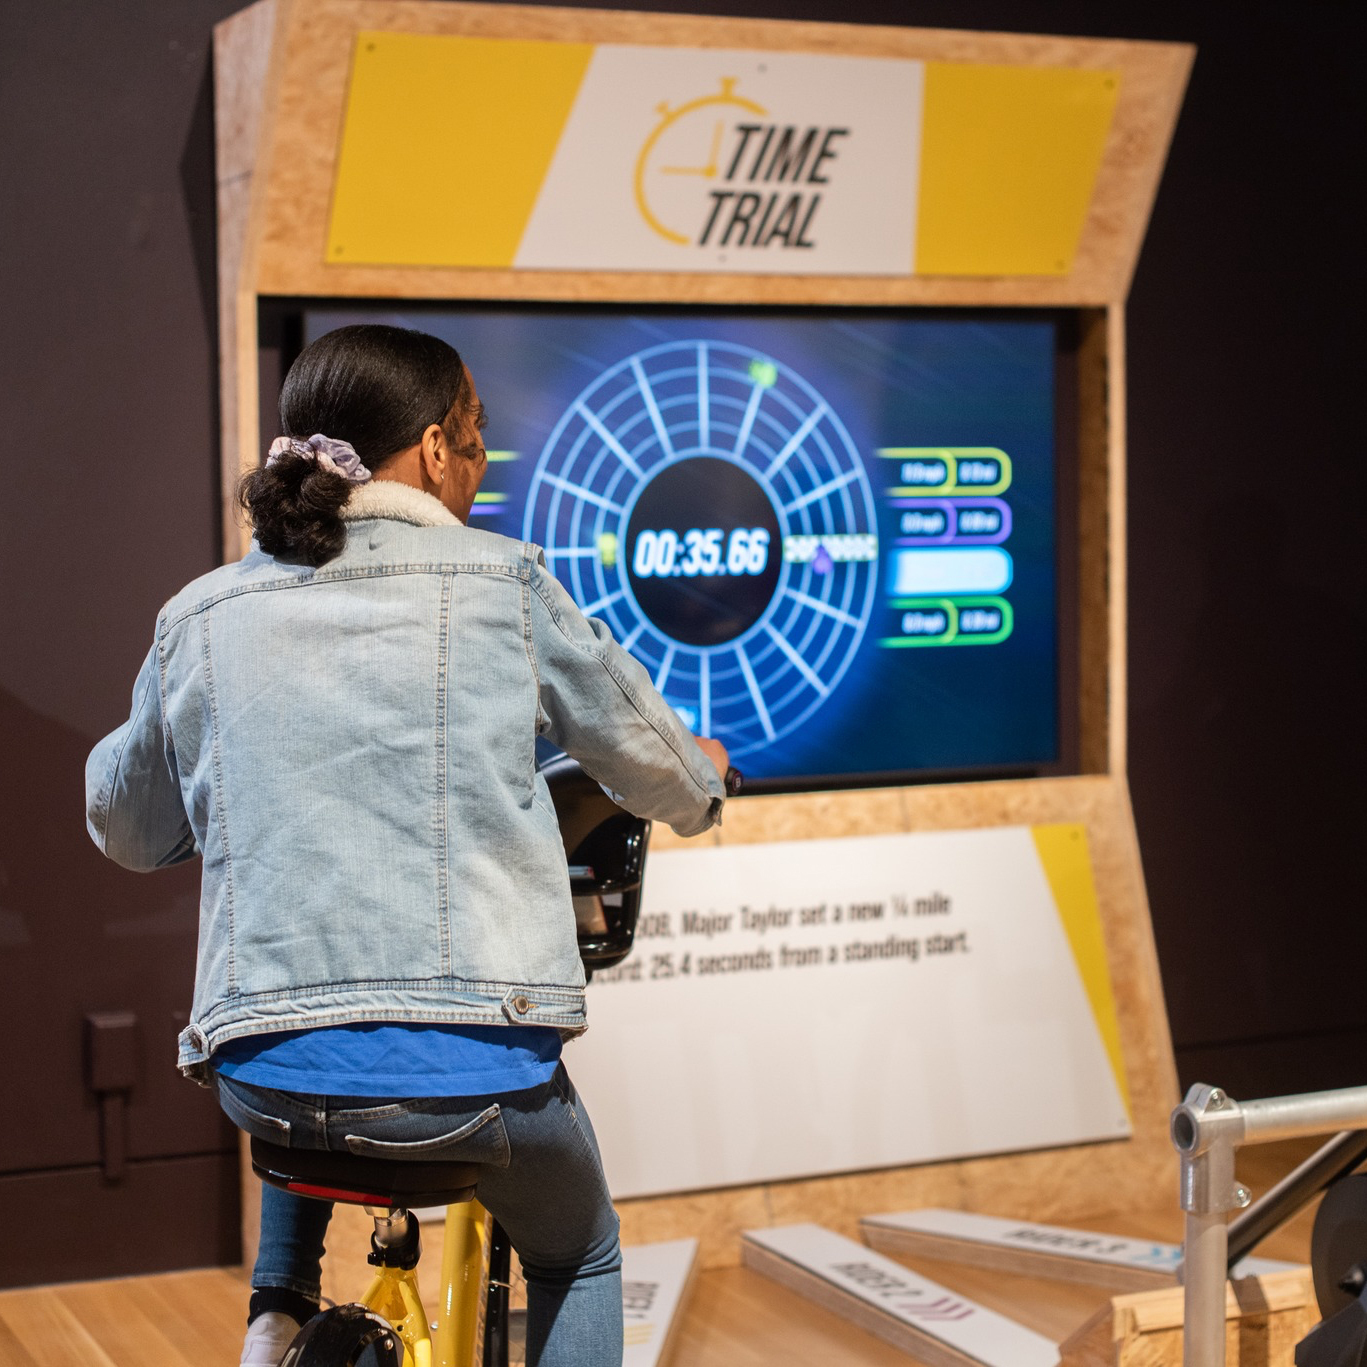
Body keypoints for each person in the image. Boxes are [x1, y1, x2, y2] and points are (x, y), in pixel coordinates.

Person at [84, 324, 729, 1367]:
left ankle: (273, 1313)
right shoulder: (506, 583)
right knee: (580, 1252)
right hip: (471, 1081)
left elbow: (125, 824)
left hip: (263, 1076)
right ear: (435, 449)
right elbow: (650, 763)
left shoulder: (200, 612)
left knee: (310, 1064)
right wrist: (700, 781)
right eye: (476, 443)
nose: (477, 468)